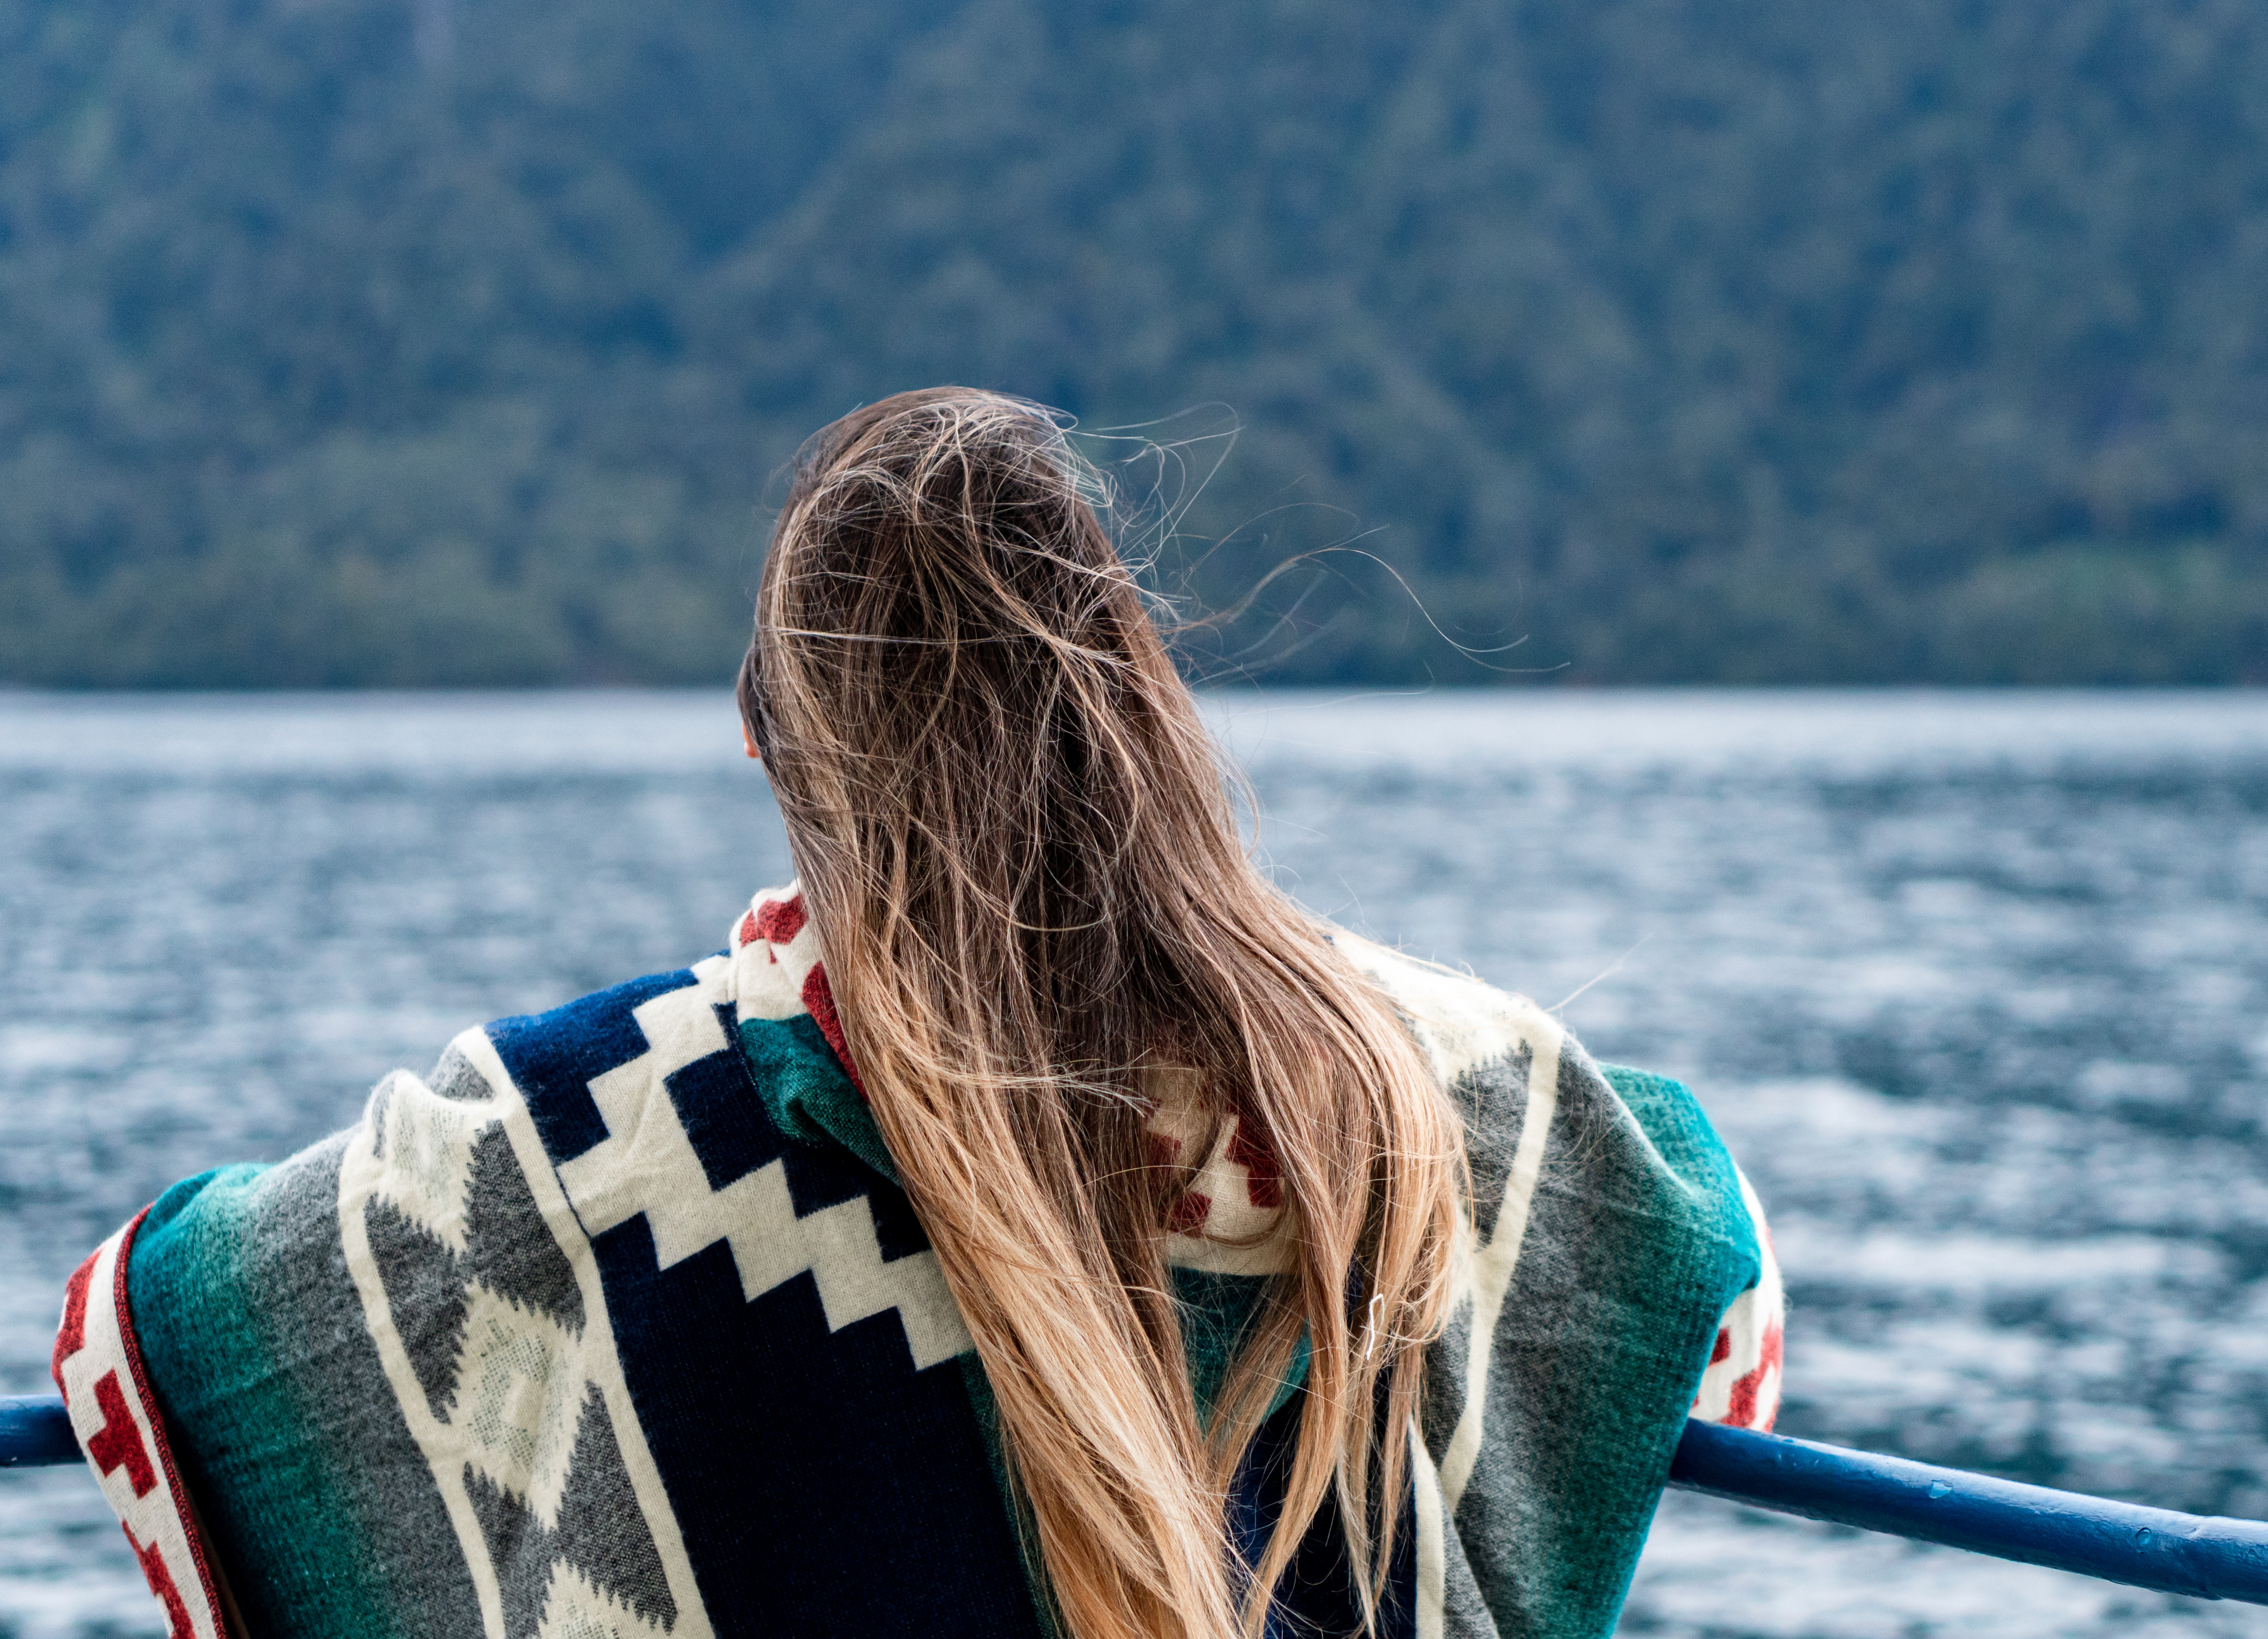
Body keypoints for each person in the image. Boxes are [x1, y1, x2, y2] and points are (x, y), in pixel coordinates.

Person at [52, 389, 1784, 1639]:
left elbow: (162, 1322)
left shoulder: (601, 1135)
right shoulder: (1422, 1079)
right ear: (1135, 704)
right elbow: (1700, 1278)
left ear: (767, 740)